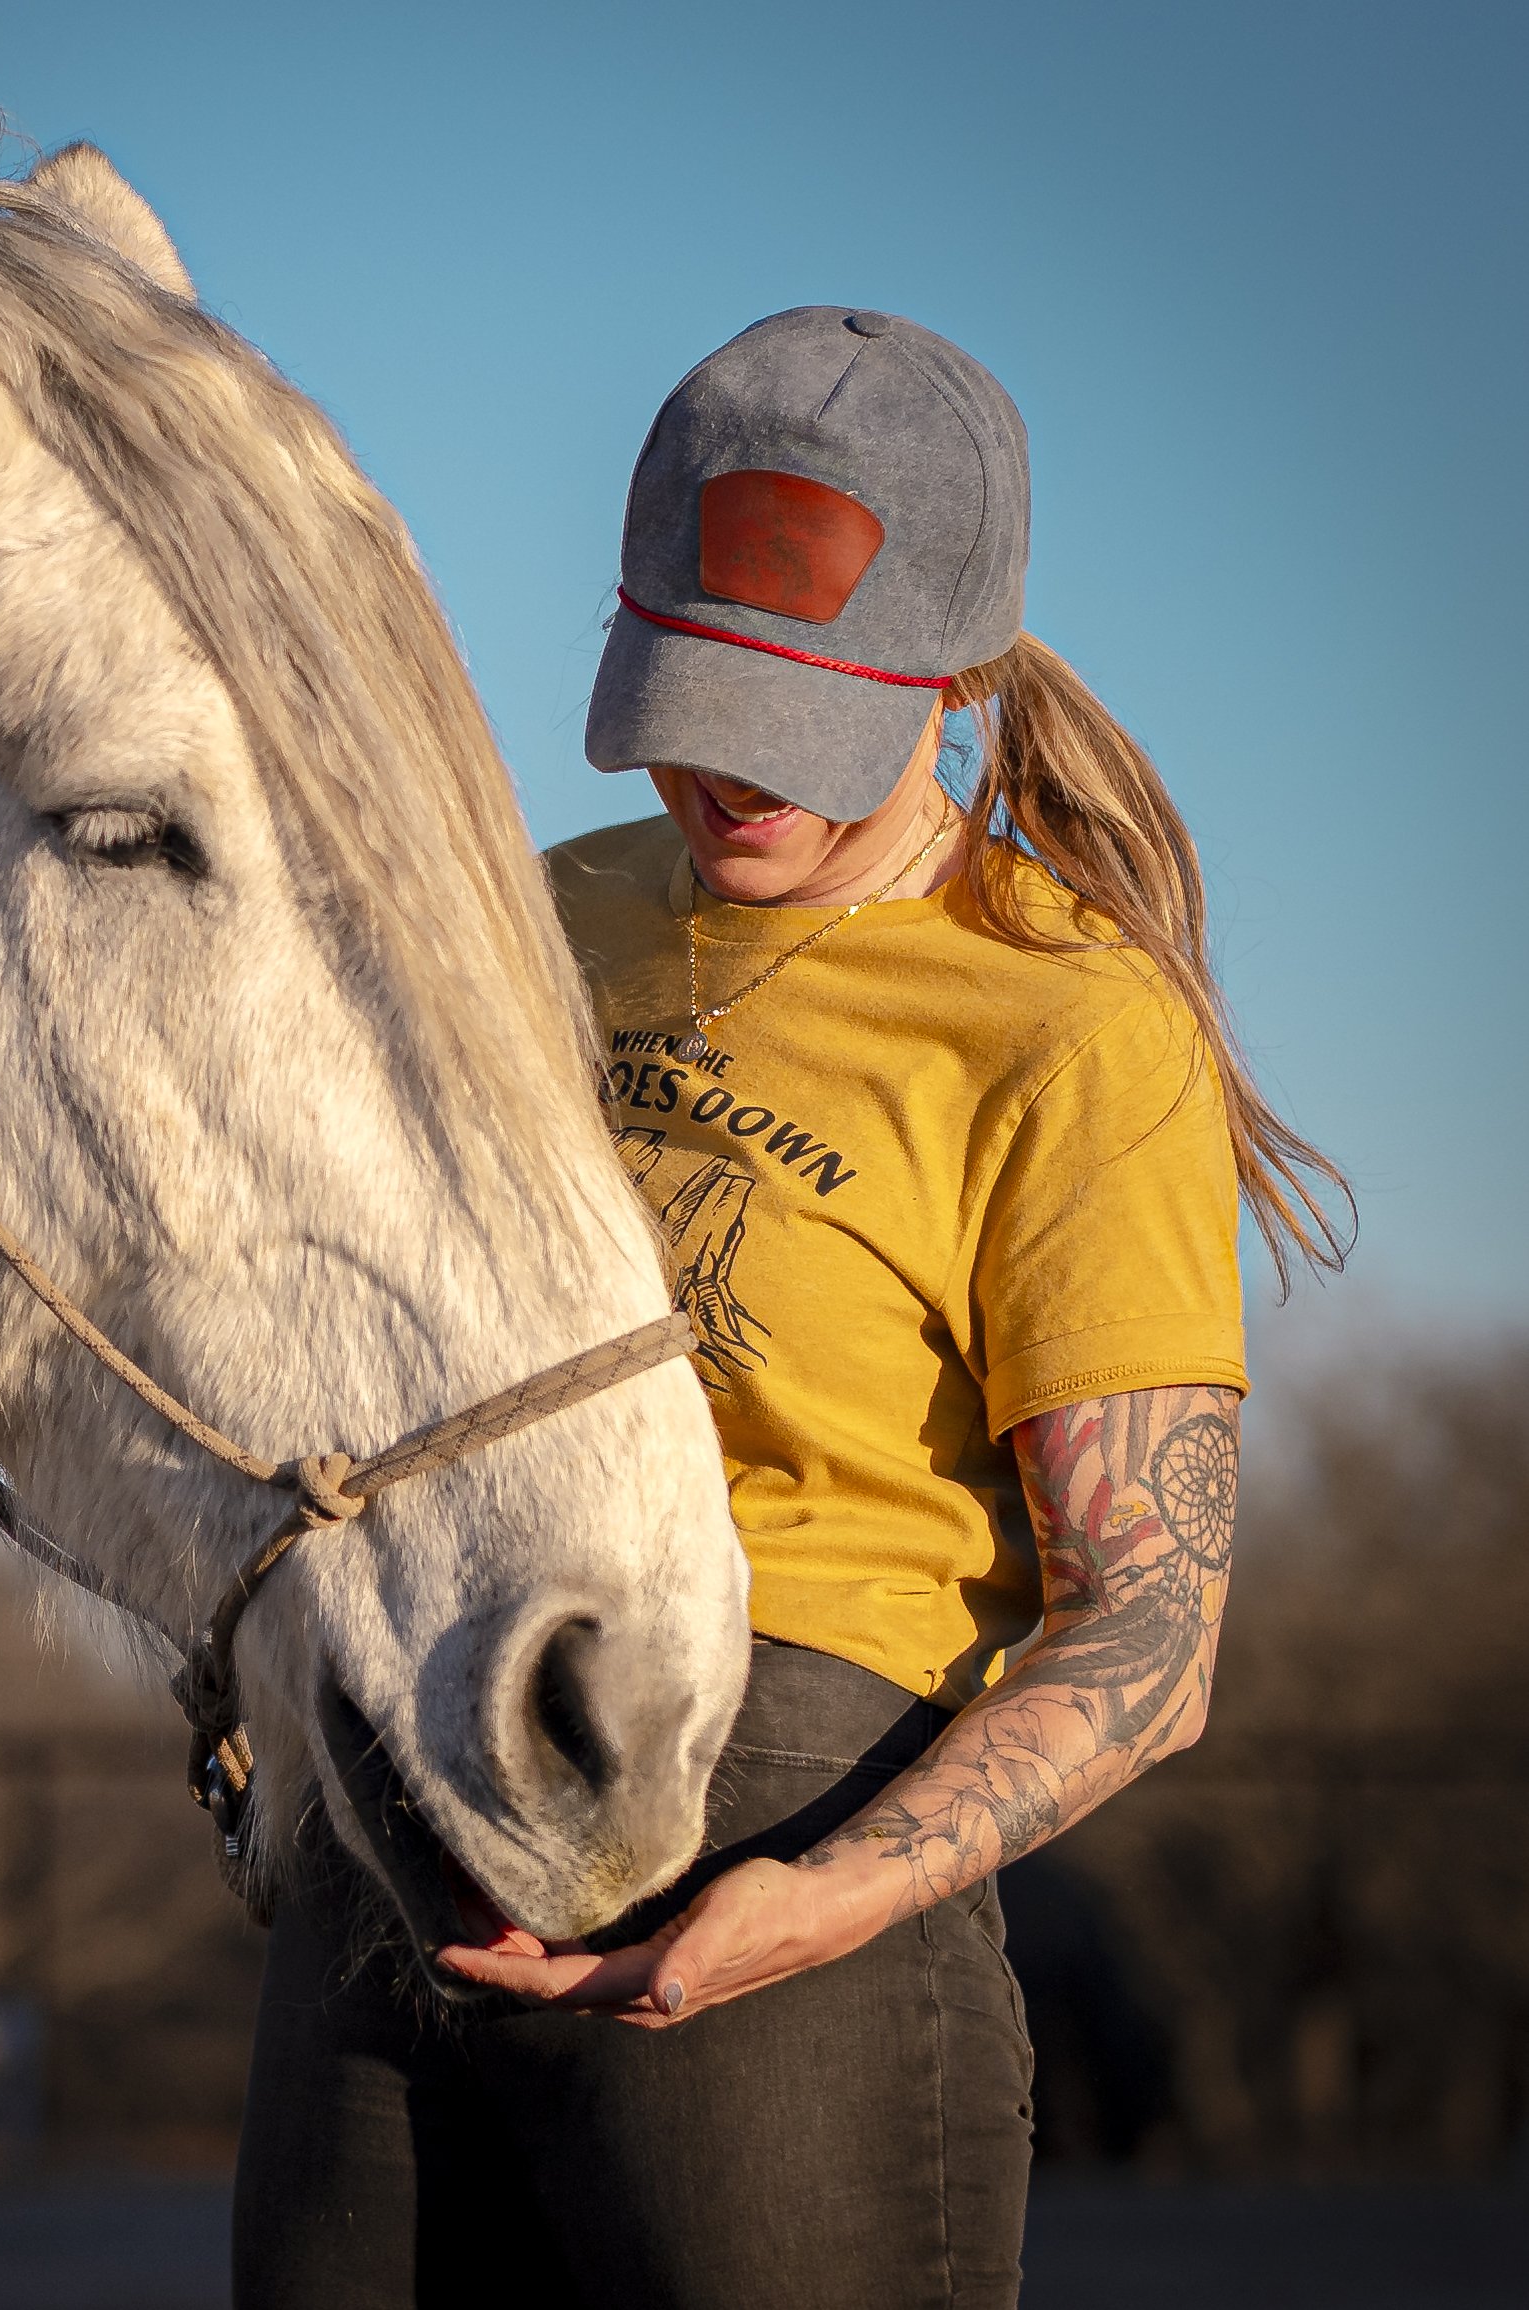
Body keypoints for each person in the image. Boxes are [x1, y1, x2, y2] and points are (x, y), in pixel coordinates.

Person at [231, 307, 1348, 2309]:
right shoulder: (535, 916)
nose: (726, 768)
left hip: (788, 1845)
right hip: (396, 1847)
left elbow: (1155, 1634)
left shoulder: (1069, 1024)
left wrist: (813, 1903)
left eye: (800, 717)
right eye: (690, 692)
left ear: (956, 682)